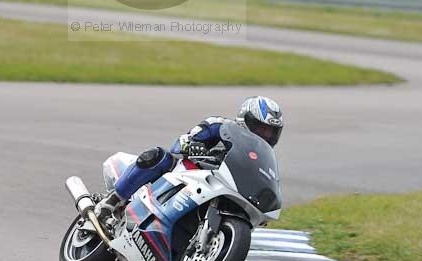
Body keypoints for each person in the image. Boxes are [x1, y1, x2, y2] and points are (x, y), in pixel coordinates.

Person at [95, 96, 283, 224]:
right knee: (160, 156)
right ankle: (113, 200)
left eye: (270, 132)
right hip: (189, 174)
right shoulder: (221, 126)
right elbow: (183, 142)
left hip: (219, 191)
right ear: (245, 120)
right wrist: (192, 145)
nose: (265, 135)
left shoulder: (260, 157)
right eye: (260, 128)